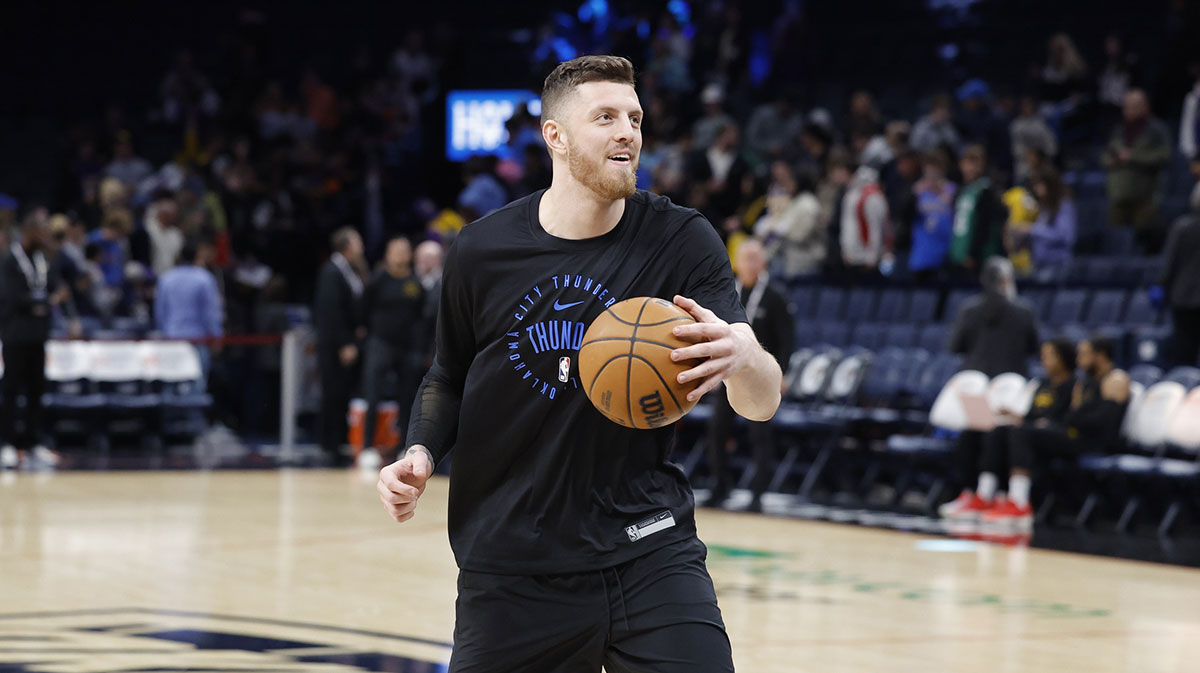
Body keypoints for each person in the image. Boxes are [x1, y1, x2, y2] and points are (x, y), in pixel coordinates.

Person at [376, 55, 782, 673]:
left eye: (635, 118)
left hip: (648, 548)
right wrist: (420, 453)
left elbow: (762, 402)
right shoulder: (483, 250)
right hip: (514, 564)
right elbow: (448, 375)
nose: (627, 131)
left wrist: (744, 356)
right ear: (556, 136)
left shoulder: (681, 240)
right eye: (606, 117)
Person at [983, 337, 1131, 526]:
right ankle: (995, 496)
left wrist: (1076, 417)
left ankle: (1019, 503)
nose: (1078, 360)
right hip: (1076, 436)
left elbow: (1103, 422)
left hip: (1097, 443)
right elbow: (1075, 416)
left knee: (1023, 433)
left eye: (1084, 354)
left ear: (1100, 356)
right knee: (1009, 430)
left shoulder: (1115, 379)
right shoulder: (1085, 383)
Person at [939, 257, 1039, 519]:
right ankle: (997, 496)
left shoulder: (969, 309)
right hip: (1010, 384)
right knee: (999, 437)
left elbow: (955, 346)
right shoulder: (1024, 310)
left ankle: (974, 494)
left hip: (976, 382)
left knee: (973, 438)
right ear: (1007, 281)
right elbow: (1034, 347)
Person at [705, 240, 794, 513]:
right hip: (729, 374)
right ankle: (720, 486)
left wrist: (781, 373)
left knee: (760, 434)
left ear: (763, 262)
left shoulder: (775, 297)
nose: (750, 263)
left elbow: (787, 340)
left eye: (755, 258)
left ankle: (758, 494)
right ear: (737, 261)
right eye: (745, 258)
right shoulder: (729, 292)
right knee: (717, 431)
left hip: (760, 376)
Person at [969, 339, 1078, 527]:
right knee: (998, 430)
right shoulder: (1042, 383)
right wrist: (1014, 415)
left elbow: (1070, 417)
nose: (1043, 360)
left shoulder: (1075, 385)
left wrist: (1037, 423)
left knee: (1020, 433)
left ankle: (1019, 502)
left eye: (1048, 356)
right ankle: (985, 494)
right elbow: (1032, 414)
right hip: (1035, 431)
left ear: (1063, 358)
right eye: (1042, 356)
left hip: (1061, 435)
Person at [0, 213, 72, 470]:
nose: (45, 236)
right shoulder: (10, 260)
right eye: (41, 231)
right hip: (14, 335)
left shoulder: (44, 260)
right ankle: (7, 444)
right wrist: (45, 302)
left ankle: (32, 443)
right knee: (11, 390)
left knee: (36, 390)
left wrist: (44, 302)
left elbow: (59, 289)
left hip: (38, 335)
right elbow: (13, 298)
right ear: (28, 231)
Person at [360, 237, 426, 469]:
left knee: (407, 397)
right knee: (373, 395)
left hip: (406, 347)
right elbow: (364, 309)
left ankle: (403, 447)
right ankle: (367, 447)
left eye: (404, 251)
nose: (400, 255)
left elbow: (421, 316)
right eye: (395, 250)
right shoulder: (378, 280)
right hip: (380, 343)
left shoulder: (415, 283)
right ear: (387, 254)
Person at [314, 227, 365, 466]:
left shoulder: (347, 270)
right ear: (347, 245)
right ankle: (330, 445)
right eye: (358, 242)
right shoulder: (332, 271)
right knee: (332, 393)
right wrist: (345, 343)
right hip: (334, 346)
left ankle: (337, 442)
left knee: (341, 394)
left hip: (344, 341)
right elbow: (332, 312)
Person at [154, 240, 223, 391]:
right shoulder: (204, 278)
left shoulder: (167, 278)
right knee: (197, 382)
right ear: (196, 257)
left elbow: (160, 311)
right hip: (196, 339)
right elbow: (210, 312)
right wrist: (216, 336)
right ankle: (192, 414)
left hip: (172, 336)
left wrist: (163, 332)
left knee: (170, 380)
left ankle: (171, 413)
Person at [1102, 89, 1170, 237]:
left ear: (1145, 106)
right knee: (1116, 241)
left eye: (1134, 105)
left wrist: (1133, 156)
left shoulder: (1156, 130)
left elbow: (1165, 156)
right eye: (1127, 106)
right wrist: (1112, 160)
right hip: (1118, 197)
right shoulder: (1119, 129)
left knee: (1142, 241)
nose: (1129, 110)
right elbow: (1105, 155)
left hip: (1145, 197)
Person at [753, 161, 825, 278]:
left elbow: (800, 236)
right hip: (791, 261)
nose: (788, 184)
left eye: (791, 181)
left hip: (805, 262)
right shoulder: (796, 201)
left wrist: (778, 230)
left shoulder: (808, 204)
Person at [950, 144, 1006, 277]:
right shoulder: (962, 190)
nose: (969, 168)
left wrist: (973, 253)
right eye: (966, 163)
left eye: (974, 163)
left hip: (979, 257)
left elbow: (983, 225)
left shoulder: (986, 190)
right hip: (959, 253)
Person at [1157, 194, 1200, 367]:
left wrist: (1161, 285)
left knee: (1184, 349)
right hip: (1185, 298)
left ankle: (1184, 384)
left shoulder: (1181, 227)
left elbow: (1169, 262)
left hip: (1182, 297)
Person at [908, 149, 958, 283]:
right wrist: (913, 195)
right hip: (921, 255)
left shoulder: (952, 190)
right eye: (929, 171)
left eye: (936, 171)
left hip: (945, 254)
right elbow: (903, 214)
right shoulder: (917, 191)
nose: (932, 175)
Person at [839, 160, 889, 276]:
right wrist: (847, 251)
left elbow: (876, 227)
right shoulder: (851, 194)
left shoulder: (872, 196)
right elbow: (848, 226)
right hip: (853, 257)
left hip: (867, 259)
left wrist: (872, 256)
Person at [1026, 167, 1077, 272]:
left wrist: (1031, 229)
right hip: (1040, 264)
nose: (1035, 188)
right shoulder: (1044, 207)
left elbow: (1065, 236)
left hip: (1057, 266)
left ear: (1050, 184)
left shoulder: (1064, 205)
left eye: (1039, 184)